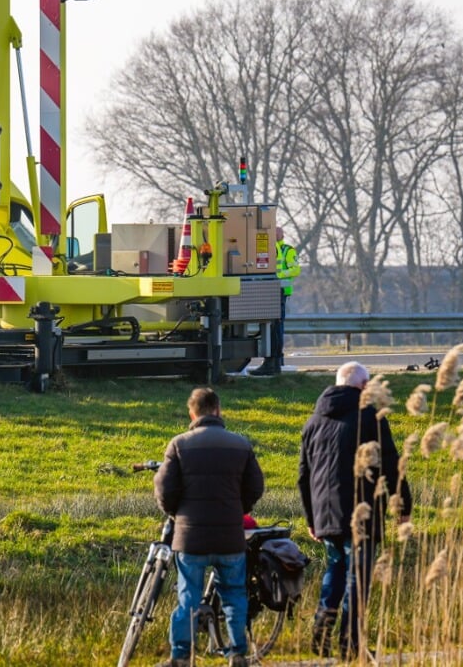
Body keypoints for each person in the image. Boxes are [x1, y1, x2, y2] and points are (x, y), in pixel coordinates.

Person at [299, 361, 412, 660]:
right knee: (357, 579)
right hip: (360, 511)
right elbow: (390, 463)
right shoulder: (369, 417)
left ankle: (320, 636)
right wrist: (403, 505)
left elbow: (303, 475)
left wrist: (312, 518)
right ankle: (351, 645)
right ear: (363, 386)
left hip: (325, 515)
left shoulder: (313, 421)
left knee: (334, 571)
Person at [153, 387, 265, 667]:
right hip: (229, 536)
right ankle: (237, 652)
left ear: (192, 413)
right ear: (218, 410)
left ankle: (181, 656)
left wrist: (176, 514)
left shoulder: (179, 444)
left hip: (191, 538)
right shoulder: (240, 444)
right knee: (234, 595)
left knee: (187, 596)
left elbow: (165, 490)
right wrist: (239, 509)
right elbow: (255, 486)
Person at [250, 226, 299, 376]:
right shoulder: (266, 248)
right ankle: (274, 363)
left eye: (278, 231)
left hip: (280, 292)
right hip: (270, 293)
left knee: (276, 329)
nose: (275, 233)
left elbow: (295, 270)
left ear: (282, 234)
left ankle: (274, 363)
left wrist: (278, 276)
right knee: (273, 328)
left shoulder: (287, 250)